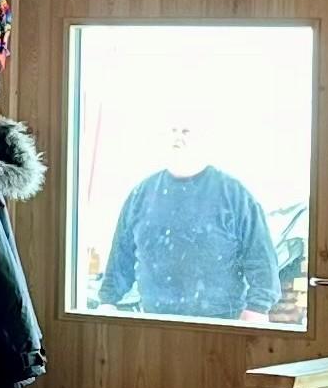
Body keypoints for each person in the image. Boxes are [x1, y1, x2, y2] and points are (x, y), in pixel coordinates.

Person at [95, 120, 284, 321]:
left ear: (204, 139)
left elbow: (261, 258)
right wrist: (108, 300)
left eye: (186, 131)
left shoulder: (234, 195)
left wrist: (257, 308)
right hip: (155, 323)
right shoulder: (142, 195)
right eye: (173, 130)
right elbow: (120, 256)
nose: (178, 137)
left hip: (220, 324)